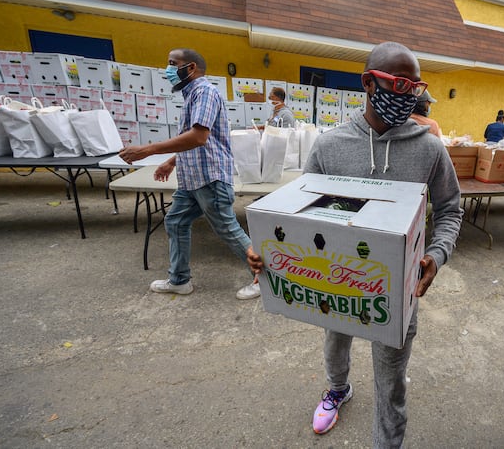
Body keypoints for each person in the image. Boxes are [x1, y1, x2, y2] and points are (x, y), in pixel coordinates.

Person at [247, 42, 463, 447]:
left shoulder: (429, 148)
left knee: (391, 379)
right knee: (335, 339)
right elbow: (296, 213)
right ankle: (337, 389)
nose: (410, 95)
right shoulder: (330, 146)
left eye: (416, 87)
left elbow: (451, 209)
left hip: (397, 288)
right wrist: (266, 250)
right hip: (335, 277)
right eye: (400, 84)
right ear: (368, 83)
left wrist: (436, 254)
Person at [119, 48, 260, 300]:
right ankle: (179, 280)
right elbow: (199, 139)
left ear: (191, 68)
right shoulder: (192, 95)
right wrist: (171, 162)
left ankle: (266, 281)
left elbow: (199, 136)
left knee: (227, 228)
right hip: (192, 178)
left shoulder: (204, 92)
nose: (168, 70)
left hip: (208, 177)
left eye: (173, 64)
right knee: (176, 222)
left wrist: (148, 150)